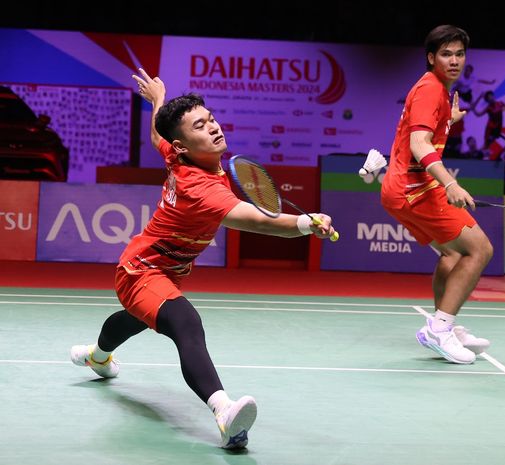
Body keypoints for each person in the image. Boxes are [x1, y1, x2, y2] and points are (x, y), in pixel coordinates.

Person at [69, 68, 335, 450]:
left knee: (136, 319)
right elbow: (254, 220)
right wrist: (304, 224)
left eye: (210, 119)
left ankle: (97, 357)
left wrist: (159, 99)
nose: (213, 127)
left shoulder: (178, 156)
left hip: (164, 271)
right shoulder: (201, 187)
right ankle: (224, 412)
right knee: (186, 323)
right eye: (200, 125)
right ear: (183, 145)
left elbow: (159, 136)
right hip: (141, 271)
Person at [380, 25, 493, 365]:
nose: (454, 60)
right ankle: (440, 329)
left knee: (452, 255)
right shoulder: (431, 89)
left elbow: (424, 132)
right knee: (480, 249)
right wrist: (450, 183)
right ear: (432, 58)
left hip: (401, 189)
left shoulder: (436, 91)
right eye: (446, 54)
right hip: (415, 190)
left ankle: (444, 321)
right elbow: (419, 144)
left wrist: (449, 121)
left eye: (459, 54)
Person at [471, 90, 505, 159]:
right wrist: (473, 109)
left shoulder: (500, 103)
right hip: (490, 129)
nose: (491, 98)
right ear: (487, 100)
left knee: (490, 144)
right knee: (487, 144)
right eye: (489, 98)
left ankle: (482, 155)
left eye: (491, 96)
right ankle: (478, 156)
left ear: (494, 96)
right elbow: (478, 114)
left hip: (498, 127)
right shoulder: (488, 108)